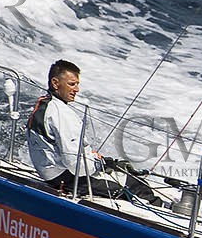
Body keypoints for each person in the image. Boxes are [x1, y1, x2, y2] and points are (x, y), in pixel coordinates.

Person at [27, 59, 159, 203]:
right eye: (72, 84)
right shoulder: (62, 114)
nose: (76, 89)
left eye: (77, 84)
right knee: (136, 185)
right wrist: (99, 165)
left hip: (50, 173)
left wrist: (104, 161)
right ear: (55, 83)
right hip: (68, 178)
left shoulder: (44, 104)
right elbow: (76, 165)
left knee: (122, 171)